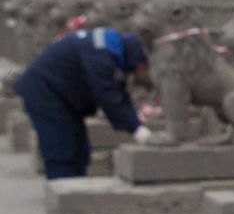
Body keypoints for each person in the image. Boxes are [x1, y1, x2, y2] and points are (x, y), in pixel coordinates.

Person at [12, 11, 153, 179]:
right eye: (142, 66)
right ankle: (64, 193)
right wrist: (138, 131)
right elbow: (108, 96)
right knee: (60, 149)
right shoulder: (101, 54)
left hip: (61, 96)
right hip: (45, 94)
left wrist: (134, 122)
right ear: (136, 56)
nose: (140, 72)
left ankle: (75, 185)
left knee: (80, 150)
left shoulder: (110, 46)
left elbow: (118, 92)